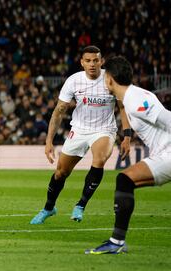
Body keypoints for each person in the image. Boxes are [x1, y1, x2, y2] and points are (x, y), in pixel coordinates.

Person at [30, 46, 131, 224]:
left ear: (101, 61)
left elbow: (123, 107)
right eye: (88, 61)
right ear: (82, 63)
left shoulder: (111, 78)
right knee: (61, 172)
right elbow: (59, 111)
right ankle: (48, 208)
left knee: (99, 159)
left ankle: (80, 205)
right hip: (78, 130)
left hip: (104, 130)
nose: (92, 64)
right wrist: (49, 141)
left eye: (95, 60)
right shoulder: (73, 81)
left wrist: (127, 136)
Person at [86, 56, 171, 254]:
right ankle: (117, 242)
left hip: (169, 153)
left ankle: (116, 242)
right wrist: (127, 137)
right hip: (164, 152)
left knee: (124, 180)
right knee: (126, 181)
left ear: (110, 79)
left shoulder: (136, 99)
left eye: (104, 76)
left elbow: (168, 119)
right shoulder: (131, 97)